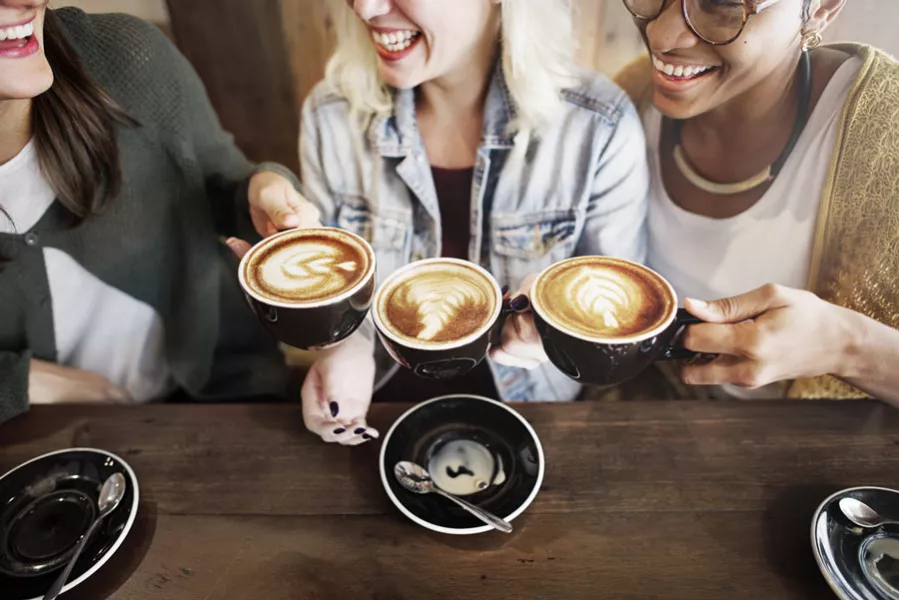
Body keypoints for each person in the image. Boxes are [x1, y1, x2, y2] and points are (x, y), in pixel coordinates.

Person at [231, 0, 650, 444]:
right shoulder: (331, 114)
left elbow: (616, 322)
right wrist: (344, 347)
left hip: (534, 419)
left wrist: (555, 327)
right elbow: (341, 301)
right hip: (380, 407)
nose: (367, 8)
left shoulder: (597, 126)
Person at [0, 1, 307, 423]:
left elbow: (223, 181)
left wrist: (262, 187)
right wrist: (22, 381)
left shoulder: (127, 55)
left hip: (228, 396)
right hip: (46, 442)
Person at [605, 0, 899, 401]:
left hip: (805, 454)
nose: (660, 35)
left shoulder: (889, 136)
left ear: (821, 8)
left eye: (721, 4)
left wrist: (848, 346)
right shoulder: (629, 99)